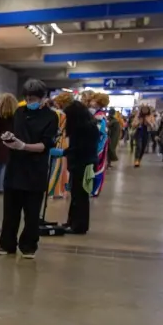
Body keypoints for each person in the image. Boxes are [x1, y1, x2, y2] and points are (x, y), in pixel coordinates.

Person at [0, 79, 58, 259]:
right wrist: (9, 138)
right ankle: (6, 244)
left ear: (43, 98)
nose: (30, 102)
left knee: (32, 213)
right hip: (15, 167)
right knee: (10, 211)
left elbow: (45, 145)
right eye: (27, 98)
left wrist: (24, 146)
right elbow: (15, 133)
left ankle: (29, 246)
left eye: (33, 99)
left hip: (36, 169)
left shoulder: (51, 117)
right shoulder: (19, 112)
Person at [61, 97, 99, 235]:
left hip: (83, 164)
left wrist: (64, 152)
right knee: (77, 194)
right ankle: (72, 221)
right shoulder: (89, 126)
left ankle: (79, 226)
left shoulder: (83, 129)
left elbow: (80, 148)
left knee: (80, 195)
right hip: (86, 163)